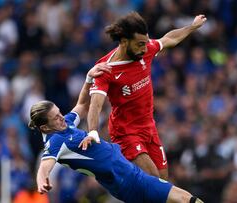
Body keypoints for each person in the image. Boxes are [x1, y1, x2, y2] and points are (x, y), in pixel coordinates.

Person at [29, 65, 204, 203]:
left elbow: (82, 105)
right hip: (126, 179)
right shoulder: (55, 141)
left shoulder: (64, 125)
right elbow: (45, 166)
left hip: (124, 173)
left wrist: (89, 77)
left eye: (59, 112)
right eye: (56, 118)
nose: (61, 117)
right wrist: (41, 180)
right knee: (184, 199)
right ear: (44, 128)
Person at [83, 11, 207, 180]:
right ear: (124, 41)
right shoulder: (105, 69)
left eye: (146, 43)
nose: (144, 48)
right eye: (140, 44)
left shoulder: (145, 49)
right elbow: (95, 105)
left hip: (149, 127)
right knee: (154, 181)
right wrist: (92, 131)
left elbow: (169, 39)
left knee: (163, 181)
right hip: (126, 132)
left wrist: (192, 27)